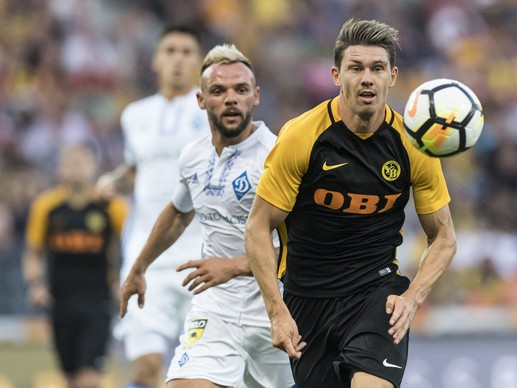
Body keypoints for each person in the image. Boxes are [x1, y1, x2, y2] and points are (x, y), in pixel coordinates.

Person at [244, 18, 457, 388]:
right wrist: (276, 311)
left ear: (392, 76)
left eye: (376, 68)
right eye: (355, 68)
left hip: (376, 294)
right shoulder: (301, 137)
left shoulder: (413, 143)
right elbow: (258, 227)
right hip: (307, 298)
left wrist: (412, 297)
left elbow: (445, 237)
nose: (366, 78)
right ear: (335, 75)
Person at [119, 44, 294, 388]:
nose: (231, 99)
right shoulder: (193, 156)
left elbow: (306, 245)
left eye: (240, 90)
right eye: (219, 90)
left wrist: (232, 266)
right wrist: (138, 267)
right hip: (216, 310)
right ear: (201, 100)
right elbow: (178, 213)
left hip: (277, 309)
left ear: (255, 96)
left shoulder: (277, 157)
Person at [96, 24, 209, 387]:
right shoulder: (135, 115)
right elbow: (137, 168)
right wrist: (115, 181)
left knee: (194, 374)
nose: (178, 59)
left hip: (201, 259)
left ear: (199, 62)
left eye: (186, 51)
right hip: (146, 260)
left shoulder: (213, 111)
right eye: (170, 51)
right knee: (145, 369)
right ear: (156, 60)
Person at [22, 144, 127, 388]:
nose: (76, 167)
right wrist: (36, 284)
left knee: (89, 378)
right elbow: (33, 252)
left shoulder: (112, 207)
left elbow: (134, 244)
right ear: (60, 169)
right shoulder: (46, 206)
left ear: (94, 168)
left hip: (98, 301)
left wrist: (124, 279)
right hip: (61, 301)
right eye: (70, 162)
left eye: (82, 161)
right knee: (70, 378)